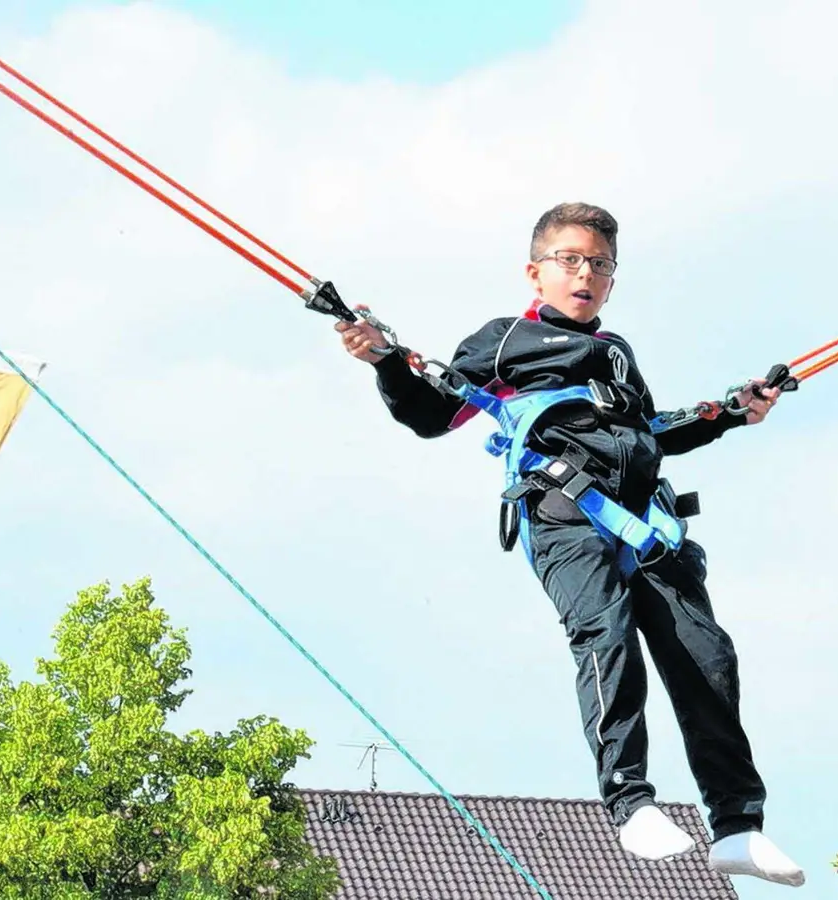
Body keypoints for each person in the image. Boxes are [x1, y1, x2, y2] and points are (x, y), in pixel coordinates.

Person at [335, 202, 804, 887]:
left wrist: (731, 412)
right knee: (604, 633)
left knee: (707, 658)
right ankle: (631, 800)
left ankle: (736, 825)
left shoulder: (616, 353)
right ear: (536, 271)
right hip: (563, 515)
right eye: (571, 260)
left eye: (601, 264)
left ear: (613, 281)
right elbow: (434, 412)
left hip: (645, 522)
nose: (586, 273)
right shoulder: (501, 343)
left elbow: (649, 431)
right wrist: (383, 359)